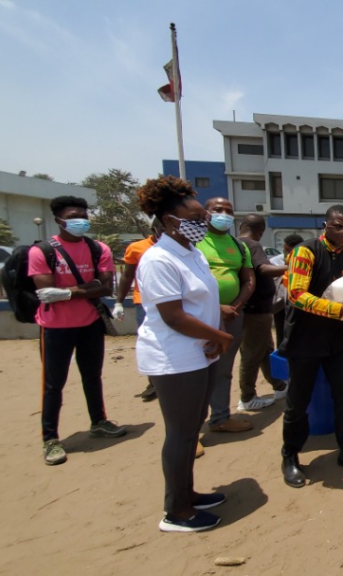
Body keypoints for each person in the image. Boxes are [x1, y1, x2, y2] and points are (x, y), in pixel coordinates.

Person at [134, 176, 235, 532]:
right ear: (169, 222)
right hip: (175, 358)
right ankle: (176, 512)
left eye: (202, 219)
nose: (203, 224)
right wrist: (220, 336)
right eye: (195, 220)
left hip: (201, 350)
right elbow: (174, 316)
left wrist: (215, 324)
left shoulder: (191, 253)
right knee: (180, 433)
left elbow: (199, 299)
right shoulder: (158, 260)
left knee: (192, 428)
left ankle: (187, 493)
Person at [279, 204, 343, 488]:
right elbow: (297, 295)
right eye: (339, 226)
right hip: (305, 338)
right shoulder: (305, 252)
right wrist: (339, 310)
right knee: (298, 402)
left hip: (338, 339)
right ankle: (290, 457)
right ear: (326, 225)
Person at [29, 196, 126, 466]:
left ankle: (99, 422)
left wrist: (65, 292)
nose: (81, 220)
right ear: (59, 219)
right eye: (74, 216)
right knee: (53, 384)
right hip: (55, 328)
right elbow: (45, 293)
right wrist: (88, 287)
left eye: (84, 214)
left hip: (90, 323)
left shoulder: (98, 249)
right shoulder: (43, 251)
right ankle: (50, 438)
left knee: (92, 376)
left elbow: (106, 287)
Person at [195, 198, 255, 433]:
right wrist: (217, 306)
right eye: (217, 210)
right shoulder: (193, 243)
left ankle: (220, 418)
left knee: (223, 368)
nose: (224, 214)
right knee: (195, 371)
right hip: (198, 315)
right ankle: (193, 430)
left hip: (232, 315)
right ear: (205, 213)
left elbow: (249, 279)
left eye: (229, 211)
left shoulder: (238, 245)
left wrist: (236, 306)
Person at [236, 215, 288, 410]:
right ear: (261, 230)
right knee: (251, 353)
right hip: (255, 310)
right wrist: (293, 266)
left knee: (265, 349)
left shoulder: (236, 244)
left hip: (254, 308)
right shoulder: (252, 245)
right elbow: (264, 269)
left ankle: (279, 385)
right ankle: (247, 397)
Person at [113, 220, 164, 402]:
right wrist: (119, 302)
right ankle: (154, 383)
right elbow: (127, 276)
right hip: (145, 303)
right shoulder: (137, 248)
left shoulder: (182, 246)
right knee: (151, 343)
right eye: (162, 229)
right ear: (154, 229)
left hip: (175, 301)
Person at [271, 234, 304, 349]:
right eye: (284, 249)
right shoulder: (275, 262)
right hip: (281, 305)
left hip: (299, 304)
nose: (285, 252)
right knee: (281, 334)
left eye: (288, 250)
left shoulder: (306, 260)